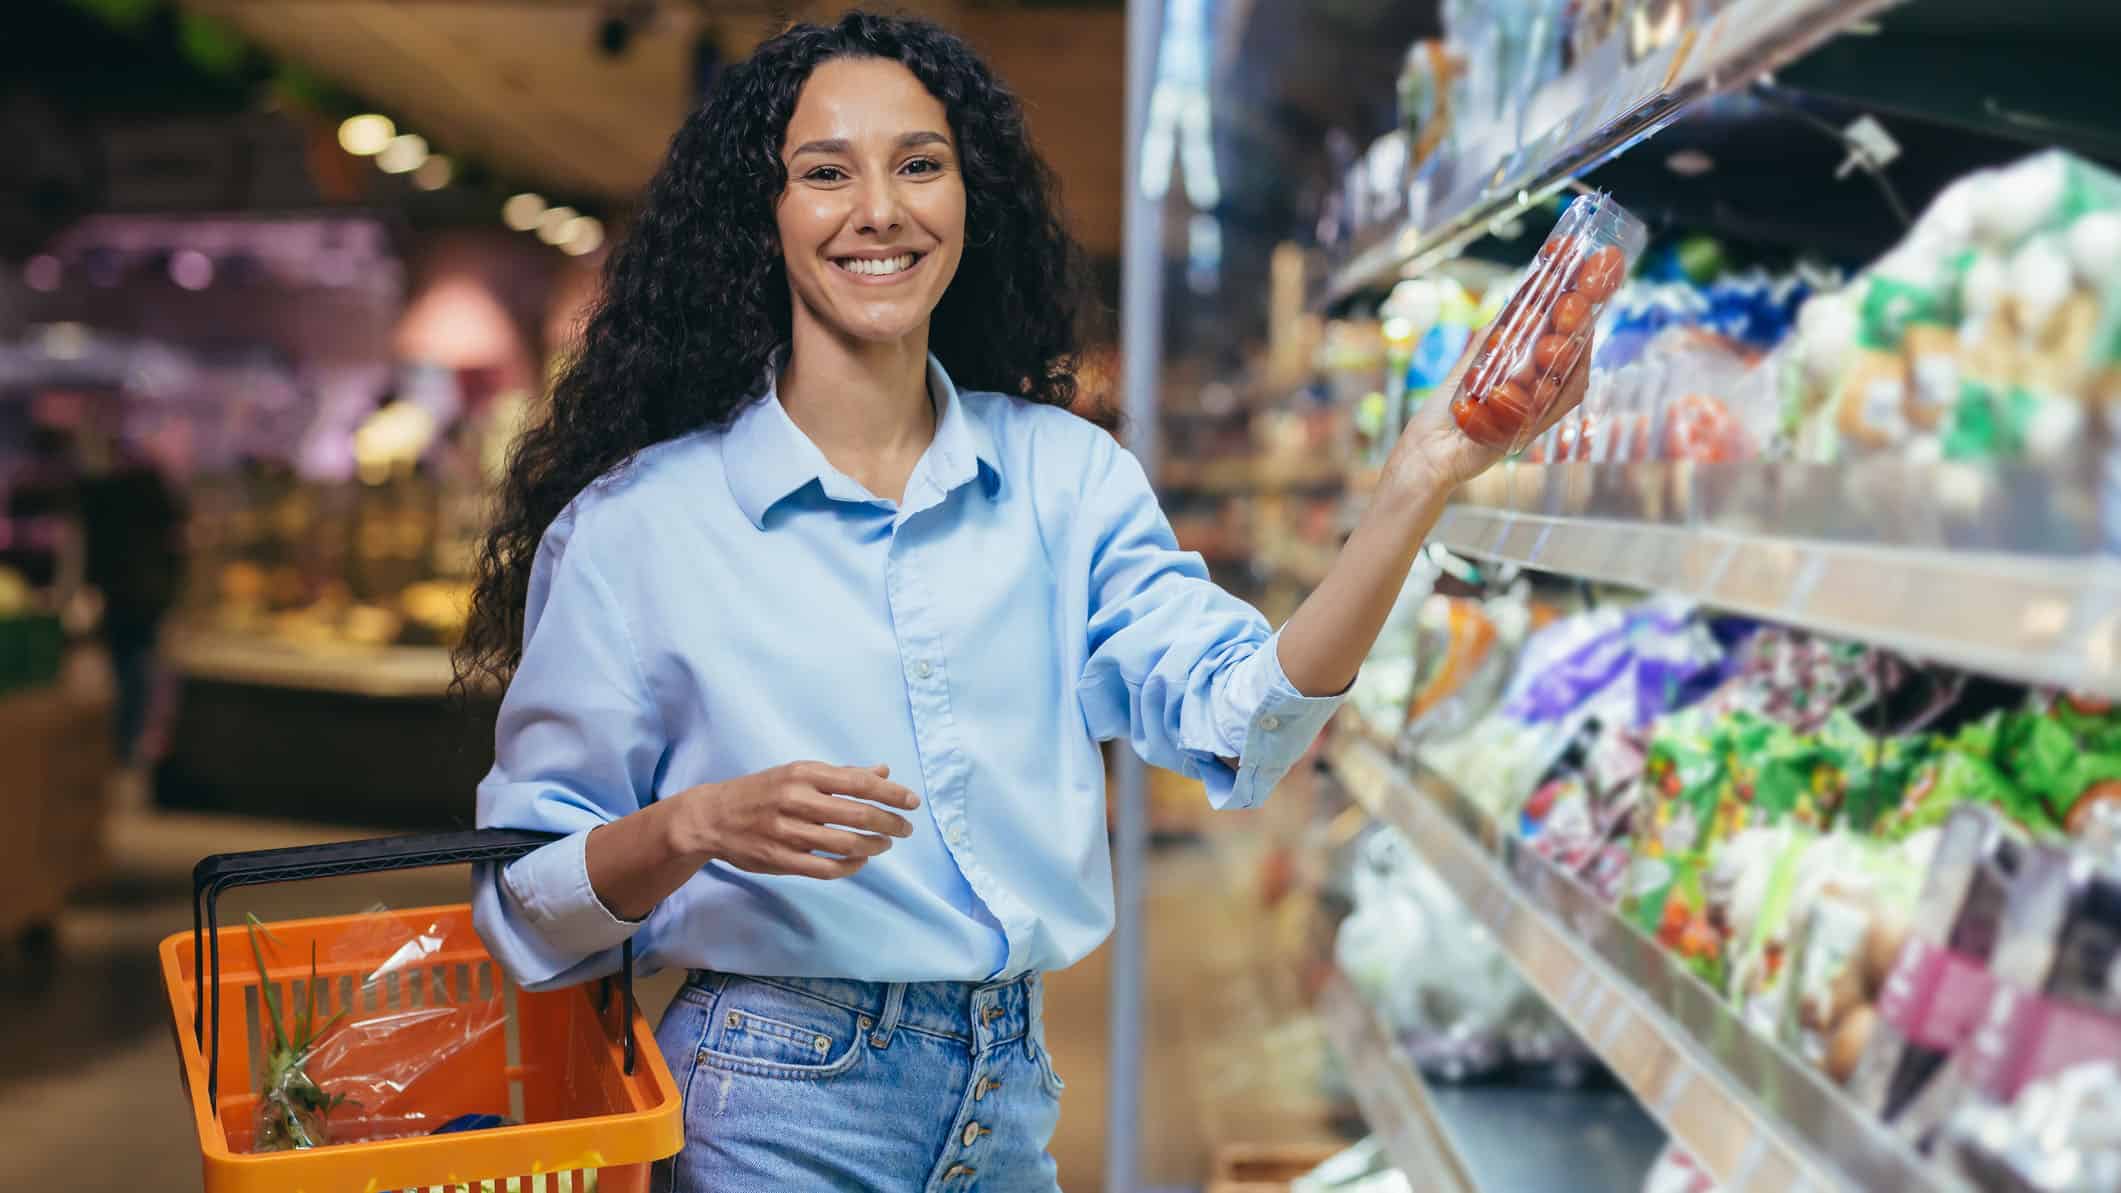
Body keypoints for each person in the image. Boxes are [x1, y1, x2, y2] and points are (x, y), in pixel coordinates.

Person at [457, 12, 1590, 1190]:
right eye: (824, 172)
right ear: (765, 214)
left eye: (919, 164)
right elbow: (525, 903)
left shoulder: (1067, 478)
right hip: (764, 1103)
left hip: (1007, 1099)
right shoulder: (642, 529)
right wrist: (690, 825)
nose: (880, 209)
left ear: (969, 197)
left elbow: (1244, 723)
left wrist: (1419, 481)